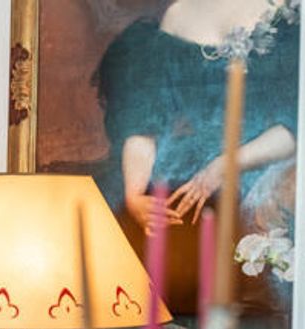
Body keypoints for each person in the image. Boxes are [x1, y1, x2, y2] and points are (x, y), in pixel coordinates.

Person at [97, 0, 299, 237]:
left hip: (264, 171)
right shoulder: (177, 14)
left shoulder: (288, 13)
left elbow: (295, 125)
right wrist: (135, 195)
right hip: (184, 177)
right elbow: (144, 122)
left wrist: (222, 167)